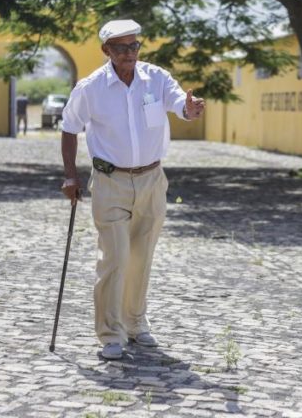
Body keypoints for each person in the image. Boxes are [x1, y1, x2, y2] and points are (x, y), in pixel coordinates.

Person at [60, 19, 204, 360]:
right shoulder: (90, 87)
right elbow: (69, 128)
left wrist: (190, 108)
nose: (129, 53)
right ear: (106, 50)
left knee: (141, 257)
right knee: (115, 258)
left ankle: (136, 324)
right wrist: (70, 176)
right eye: (122, 47)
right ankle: (111, 333)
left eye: (134, 46)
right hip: (110, 182)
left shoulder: (156, 78)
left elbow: (178, 104)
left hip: (153, 180)